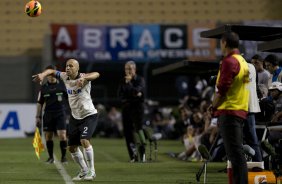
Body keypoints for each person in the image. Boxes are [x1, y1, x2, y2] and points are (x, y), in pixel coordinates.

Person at [32, 59, 99, 181]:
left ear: (77, 69)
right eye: (67, 66)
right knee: (72, 147)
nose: (68, 68)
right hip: (75, 117)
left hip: (89, 115)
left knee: (84, 140)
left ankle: (92, 171)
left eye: (71, 66)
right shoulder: (64, 76)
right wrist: (42, 74)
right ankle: (84, 170)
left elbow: (96, 74)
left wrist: (84, 79)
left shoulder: (83, 77)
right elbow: (52, 70)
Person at [210, 32, 249, 184]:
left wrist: (213, 106)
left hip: (230, 111)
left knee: (235, 155)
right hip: (239, 110)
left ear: (224, 43)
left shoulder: (229, 61)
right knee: (236, 154)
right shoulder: (243, 61)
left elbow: (222, 89)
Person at [35, 65, 68, 164]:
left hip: (60, 113)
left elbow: (70, 99)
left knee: (62, 135)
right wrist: (38, 116)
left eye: (51, 73)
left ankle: (63, 157)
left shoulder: (63, 85)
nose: (50, 75)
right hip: (48, 114)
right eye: (48, 74)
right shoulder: (43, 88)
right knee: (48, 136)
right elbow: (39, 103)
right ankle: (51, 158)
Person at [117, 60, 146, 162]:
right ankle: (133, 156)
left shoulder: (140, 80)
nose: (128, 71)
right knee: (128, 133)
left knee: (139, 130)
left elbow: (137, 91)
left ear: (134, 69)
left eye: (130, 69)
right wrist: (133, 95)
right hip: (126, 109)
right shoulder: (122, 81)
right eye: (126, 69)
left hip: (138, 109)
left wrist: (129, 84)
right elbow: (120, 96)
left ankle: (143, 154)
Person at [243, 63, 262, 162]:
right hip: (251, 106)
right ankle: (257, 163)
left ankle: (257, 163)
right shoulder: (252, 67)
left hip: (242, 106)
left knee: (249, 138)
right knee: (252, 138)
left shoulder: (236, 65)